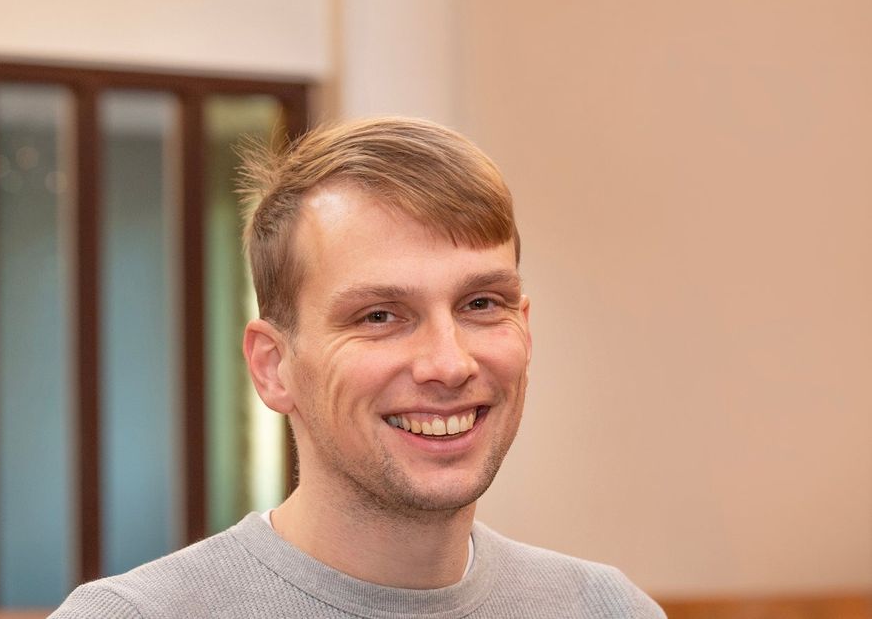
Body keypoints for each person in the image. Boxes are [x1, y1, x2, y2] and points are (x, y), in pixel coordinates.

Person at [51, 117, 665, 618]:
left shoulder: (607, 609)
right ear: (273, 367)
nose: (449, 364)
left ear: (524, 330)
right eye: (379, 316)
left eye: (481, 304)